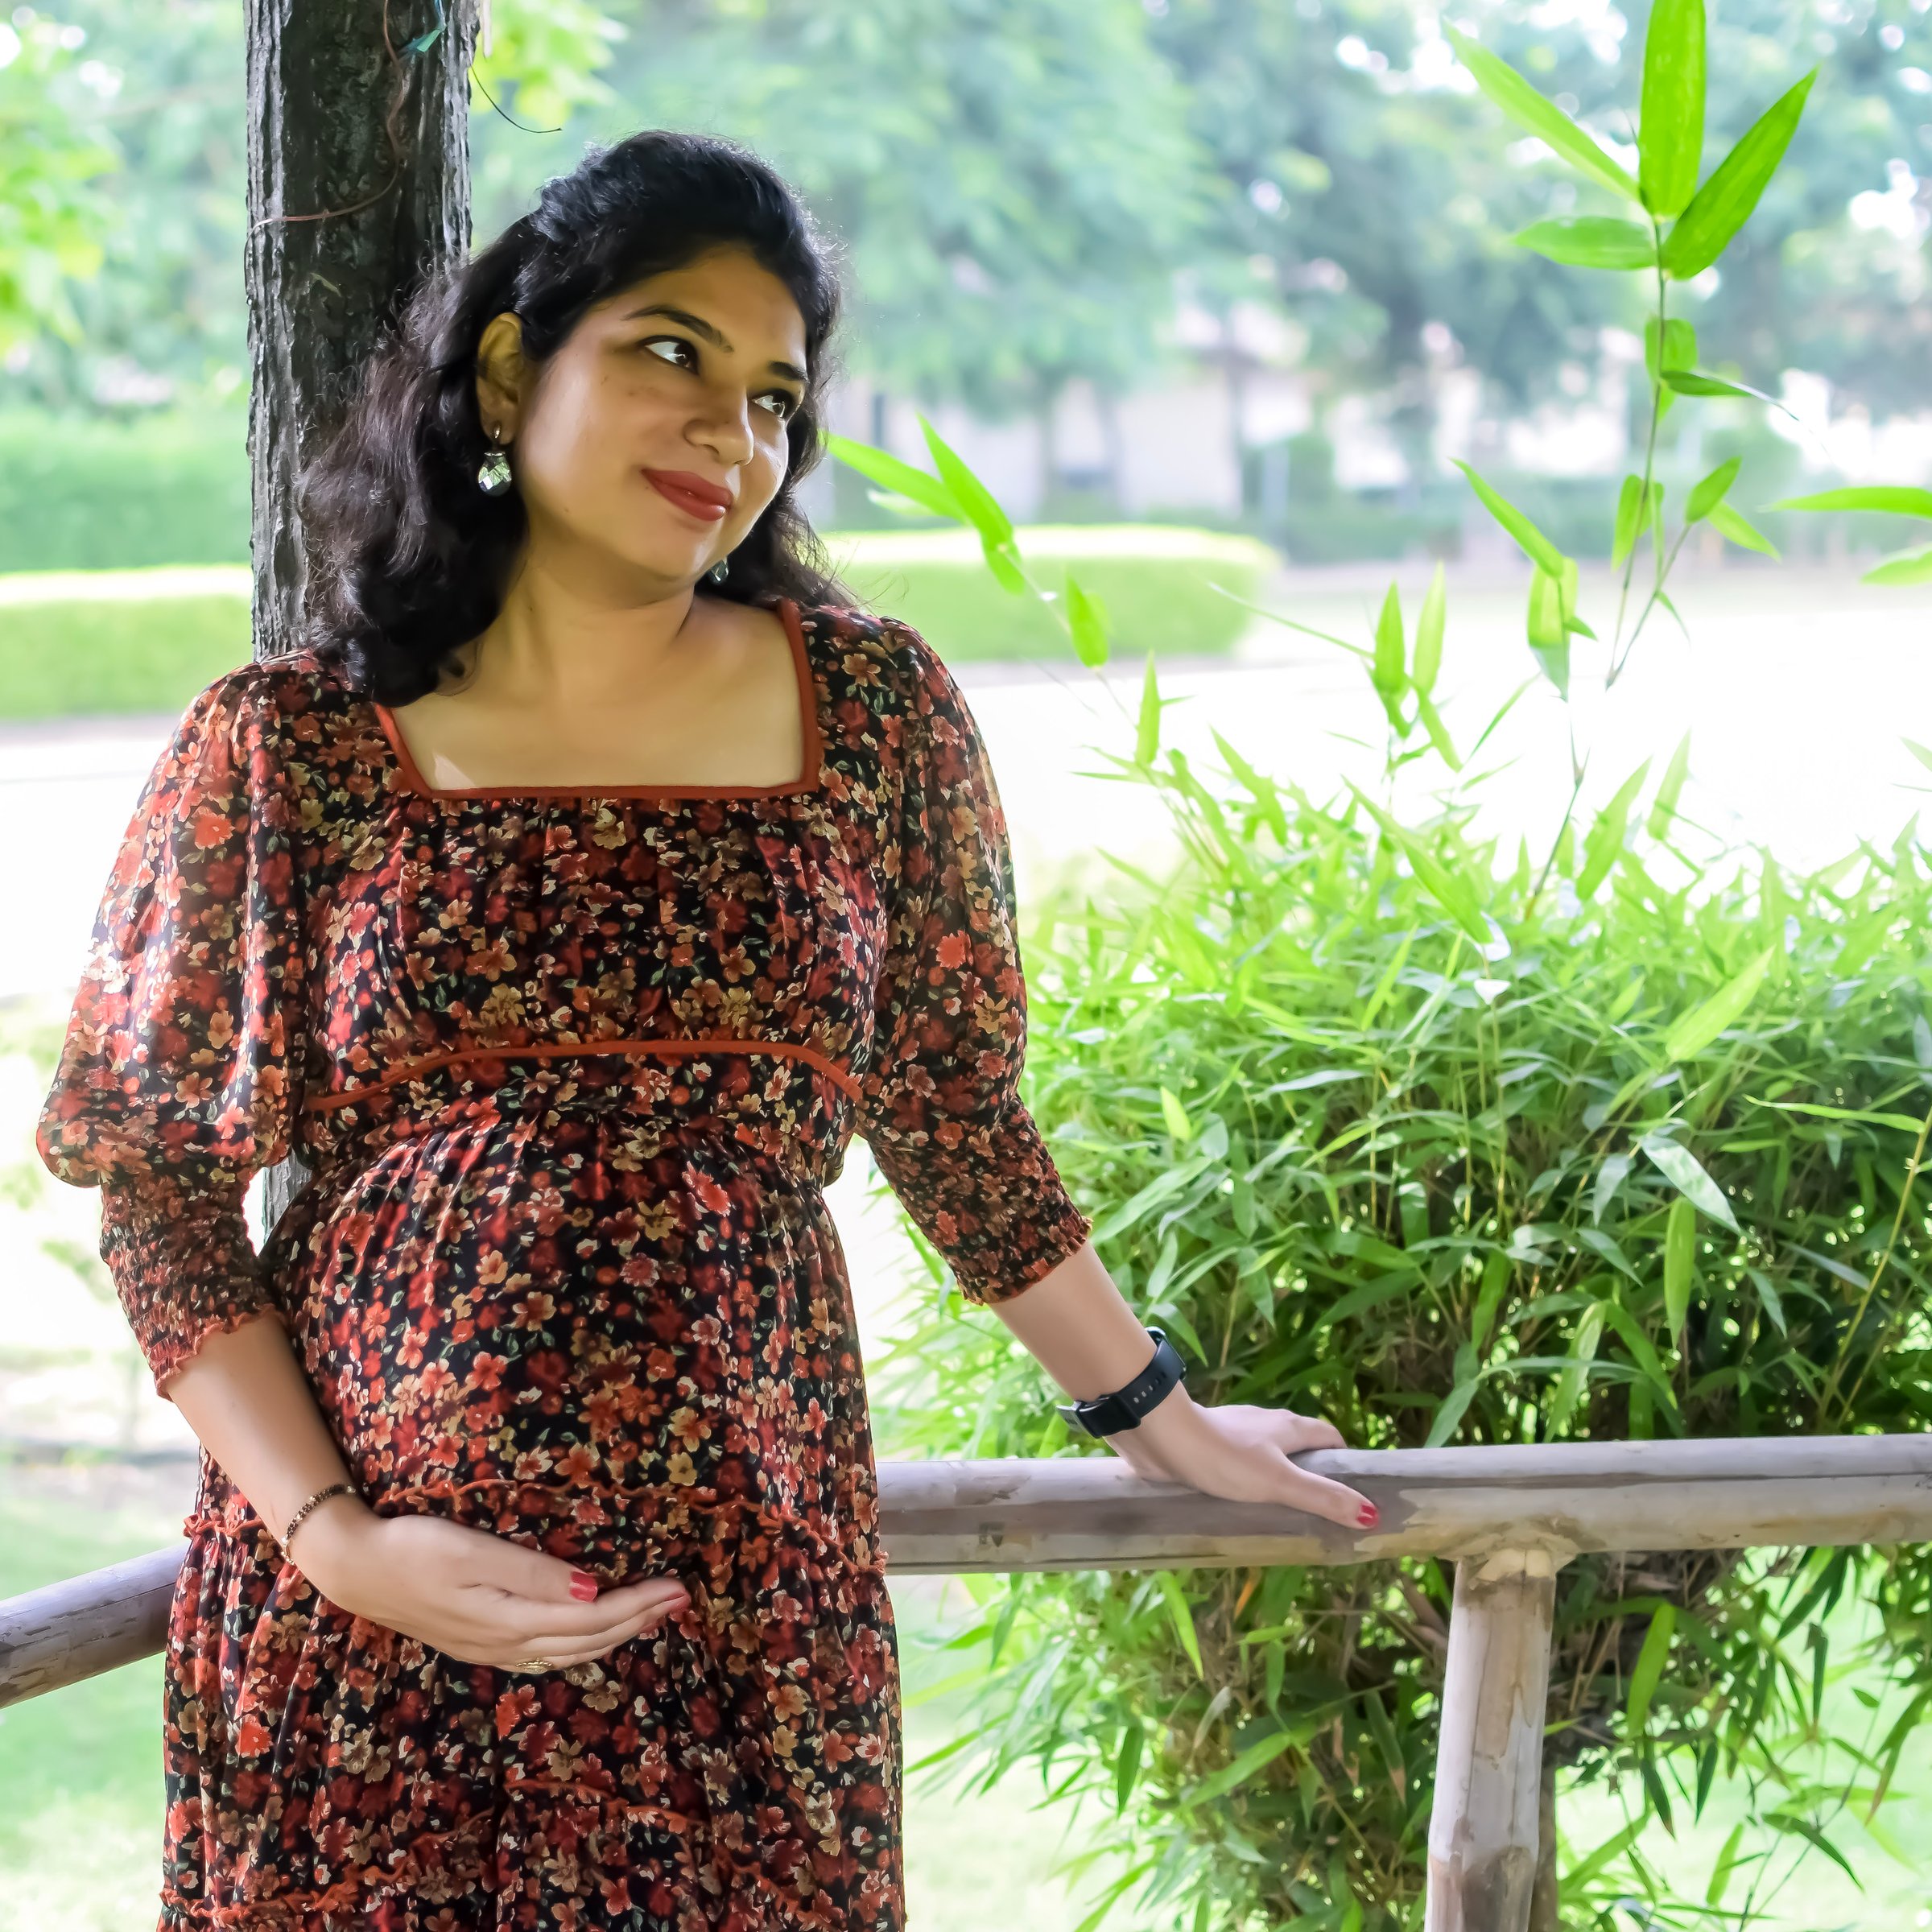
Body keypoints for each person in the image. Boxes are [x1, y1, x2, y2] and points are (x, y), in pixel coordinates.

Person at [35, 129, 1373, 1931]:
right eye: (670, 350)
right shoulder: (285, 744)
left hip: (744, 1599)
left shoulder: (874, 714)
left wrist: (1159, 1416)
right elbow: (161, 1188)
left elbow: (954, 1116)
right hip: (370, 1630)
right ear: (510, 368)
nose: (729, 435)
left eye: (773, 400)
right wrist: (333, 1538)